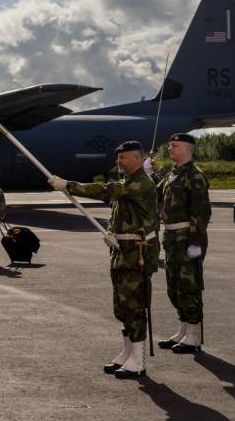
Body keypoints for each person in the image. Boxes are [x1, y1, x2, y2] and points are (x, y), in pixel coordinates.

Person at [49, 141, 159, 379]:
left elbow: (108, 191)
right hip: (122, 249)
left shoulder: (142, 182)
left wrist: (69, 185)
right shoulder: (128, 182)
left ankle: (138, 361)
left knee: (135, 305)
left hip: (137, 252)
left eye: (125, 158)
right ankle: (127, 352)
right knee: (122, 305)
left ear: (139, 160)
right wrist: (115, 233)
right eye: (118, 158)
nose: (119, 162)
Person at [154, 133, 211, 354]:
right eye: (170, 145)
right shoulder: (172, 174)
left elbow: (201, 212)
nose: (170, 149)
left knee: (189, 287)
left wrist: (195, 242)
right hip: (171, 238)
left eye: (174, 146)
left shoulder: (195, 176)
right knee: (174, 287)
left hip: (187, 237)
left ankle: (194, 336)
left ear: (188, 149)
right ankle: (183, 329)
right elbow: (155, 193)